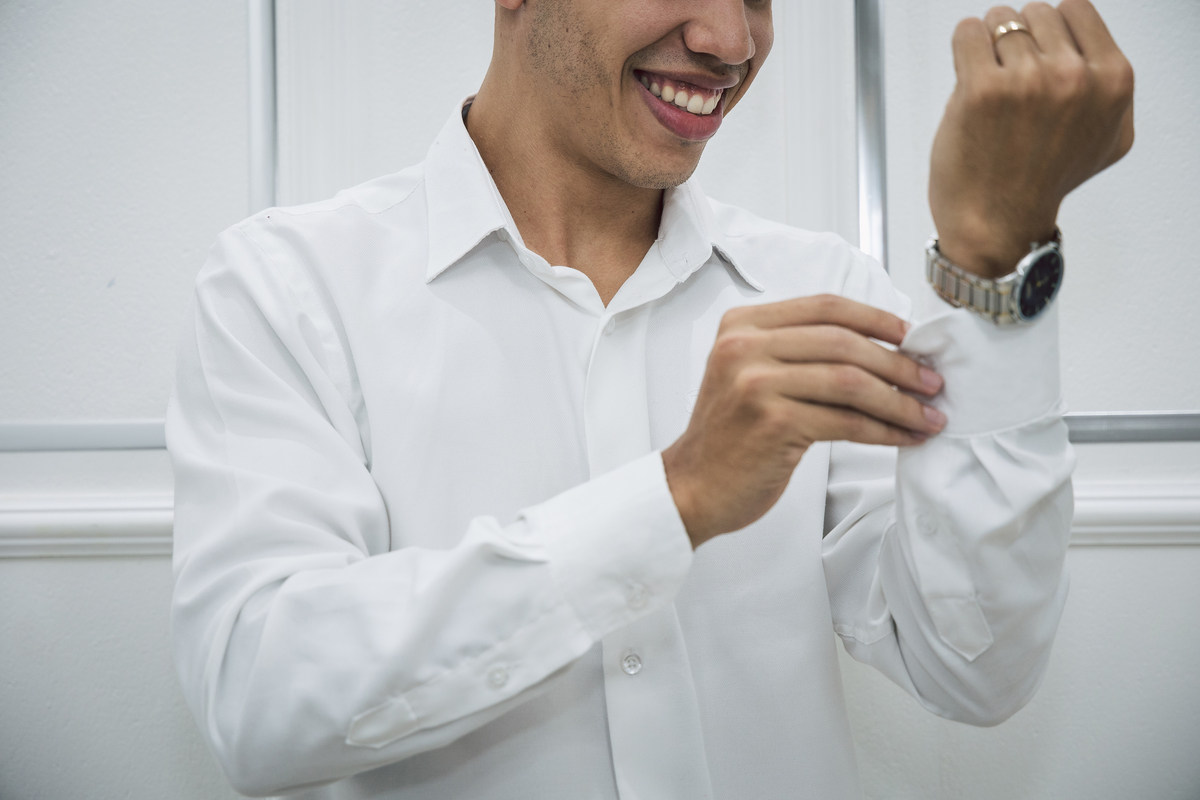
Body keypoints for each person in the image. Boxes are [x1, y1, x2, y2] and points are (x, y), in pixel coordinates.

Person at [167, 1, 1134, 797]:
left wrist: (995, 264)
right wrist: (676, 498)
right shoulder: (289, 290)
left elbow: (971, 668)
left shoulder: (823, 289)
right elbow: (259, 702)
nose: (730, 40)